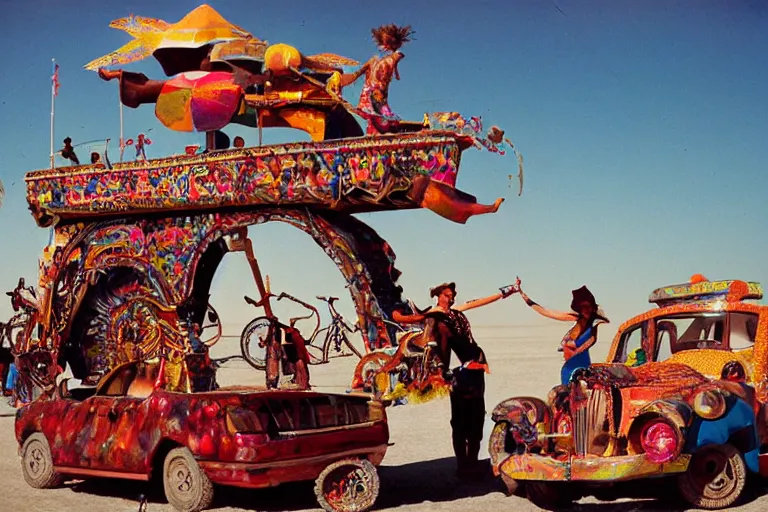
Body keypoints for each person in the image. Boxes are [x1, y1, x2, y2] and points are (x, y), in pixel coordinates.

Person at [422, 281, 518, 477]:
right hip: (460, 373)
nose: (450, 298)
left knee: (476, 419)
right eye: (446, 295)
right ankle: (463, 466)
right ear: (438, 295)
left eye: (452, 295)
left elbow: (479, 302)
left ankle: (472, 463)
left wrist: (508, 291)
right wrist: (441, 370)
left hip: (476, 370)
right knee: (460, 422)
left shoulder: (455, 311)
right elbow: (431, 345)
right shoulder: (433, 317)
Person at [517, 280, 609, 385]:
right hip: (568, 368)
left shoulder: (594, 324)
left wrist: (575, 348)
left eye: (588, 306)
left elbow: (592, 339)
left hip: (582, 368)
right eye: (583, 307)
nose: (586, 310)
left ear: (593, 307)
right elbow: (547, 312)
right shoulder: (575, 319)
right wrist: (526, 298)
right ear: (579, 308)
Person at [341, 24, 414, 135]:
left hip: (377, 94)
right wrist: (341, 82)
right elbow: (356, 75)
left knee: (380, 117)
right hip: (372, 94)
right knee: (377, 116)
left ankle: (377, 133)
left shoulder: (389, 58)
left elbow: (357, 74)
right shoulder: (377, 60)